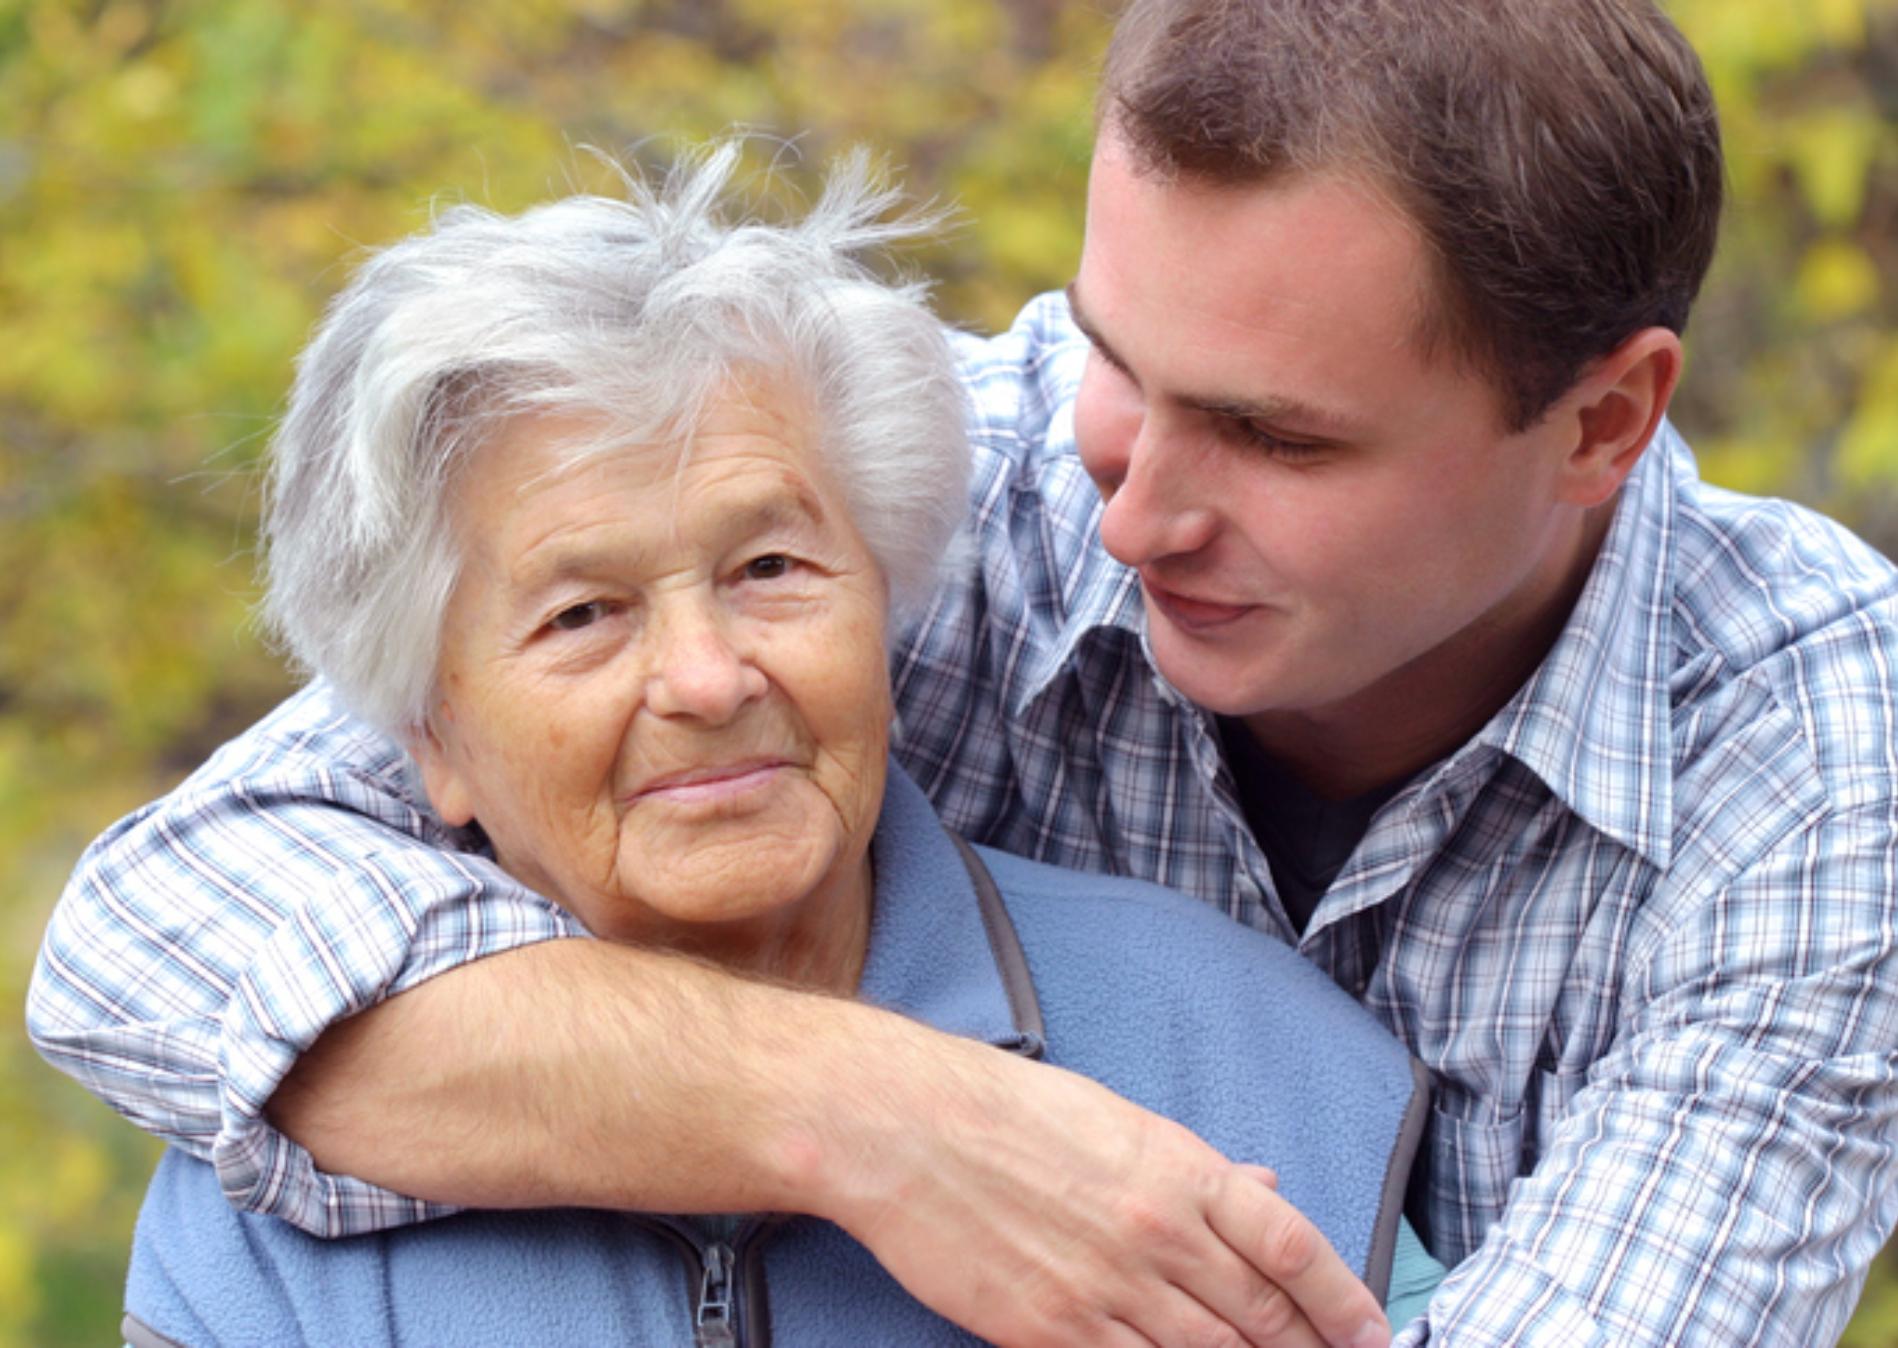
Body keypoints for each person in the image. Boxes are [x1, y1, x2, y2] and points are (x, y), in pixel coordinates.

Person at [30, 0, 1898, 1343]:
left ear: (1603, 421)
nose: (1131, 511)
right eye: (1113, 358)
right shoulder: (941, 481)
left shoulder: (1822, 760)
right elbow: (163, 927)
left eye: (1273, 436)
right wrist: (895, 1120)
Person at [116, 149, 1443, 1347]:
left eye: (769, 566)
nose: (705, 677)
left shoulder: (1259, 1065)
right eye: (583, 614)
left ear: (887, 604)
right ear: (433, 743)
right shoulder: (282, 1195)